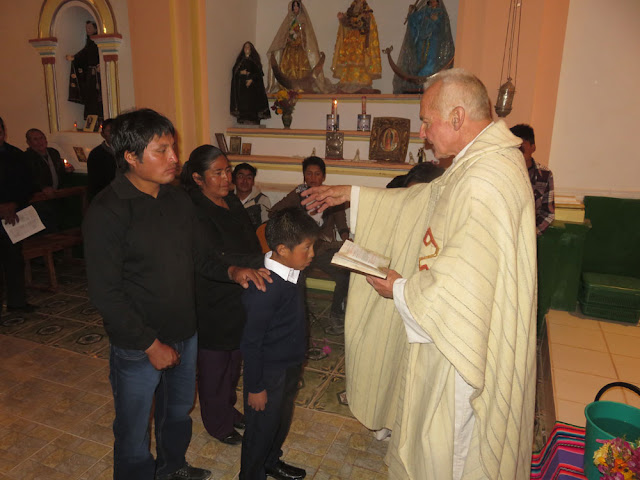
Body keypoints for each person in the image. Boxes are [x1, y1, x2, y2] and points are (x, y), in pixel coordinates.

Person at [301, 69, 537, 479]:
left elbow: (462, 287)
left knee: (450, 448)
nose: (423, 133)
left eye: (428, 121)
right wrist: (351, 194)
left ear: (458, 117)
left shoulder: (485, 178)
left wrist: (401, 289)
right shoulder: (477, 165)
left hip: (461, 349)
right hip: (446, 337)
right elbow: (422, 200)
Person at [83, 108, 271, 480]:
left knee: (177, 410)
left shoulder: (177, 201)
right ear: (131, 158)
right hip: (139, 342)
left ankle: (173, 467)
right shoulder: (108, 211)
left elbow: (200, 258)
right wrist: (150, 344)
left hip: (185, 332)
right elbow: (106, 293)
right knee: (134, 427)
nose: (175, 159)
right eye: (162, 150)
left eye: (173, 148)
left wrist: (233, 271)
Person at [180, 146, 264, 446]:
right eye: (218, 173)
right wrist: (235, 268)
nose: (227, 177)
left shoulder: (230, 200)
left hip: (240, 292)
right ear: (198, 178)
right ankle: (217, 422)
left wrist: (262, 262)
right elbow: (206, 257)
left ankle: (227, 409)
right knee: (215, 365)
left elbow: (249, 240)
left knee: (234, 359)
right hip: (212, 294)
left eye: (227, 170)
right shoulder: (193, 209)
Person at [240, 207, 319, 480]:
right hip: (268, 372)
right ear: (283, 249)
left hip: (289, 365)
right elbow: (250, 343)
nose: (312, 255)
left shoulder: (292, 272)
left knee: (280, 421)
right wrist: (255, 386)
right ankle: (251, 474)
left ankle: (271, 462)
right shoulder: (263, 288)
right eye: (307, 248)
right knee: (261, 428)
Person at [269, 156, 350, 335]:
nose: (313, 178)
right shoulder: (297, 195)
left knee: (345, 275)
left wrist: (346, 239)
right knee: (296, 279)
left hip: (324, 249)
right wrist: (295, 225)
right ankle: (294, 317)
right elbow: (274, 211)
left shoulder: (331, 196)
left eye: (317, 174)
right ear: (304, 176)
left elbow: (341, 224)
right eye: (309, 174)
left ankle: (336, 316)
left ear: (323, 176)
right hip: (300, 249)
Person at [0, 117, 35, 316]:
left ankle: (17, 302)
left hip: (12, 216)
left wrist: (13, 204)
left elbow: (27, 185)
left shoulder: (15, 155)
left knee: (14, 260)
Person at [266, 0, 330, 93]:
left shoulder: (304, 20)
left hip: (300, 48)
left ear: (300, 8)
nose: (295, 8)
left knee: (301, 66)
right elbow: (283, 35)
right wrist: (288, 37)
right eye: (294, 6)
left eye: (297, 6)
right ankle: (288, 87)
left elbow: (306, 36)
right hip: (289, 48)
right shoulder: (288, 20)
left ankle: (301, 87)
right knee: (288, 66)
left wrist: (299, 34)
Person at [393, 0, 455, 94]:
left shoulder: (440, 13)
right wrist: (412, 14)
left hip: (433, 42)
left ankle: (428, 82)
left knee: (431, 62)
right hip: (422, 43)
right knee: (419, 60)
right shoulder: (424, 12)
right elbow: (415, 21)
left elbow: (441, 27)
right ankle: (420, 82)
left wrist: (433, 19)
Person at [24, 128, 74, 232]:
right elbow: (29, 178)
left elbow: (59, 173)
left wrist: (67, 170)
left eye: (42, 138)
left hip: (57, 198)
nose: (40, 142)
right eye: (35, 139)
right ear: (29, 142)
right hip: (38, 202)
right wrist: (42, 188)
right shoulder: (26, 158)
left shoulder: (53, 153)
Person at [510, 124, 555, 235]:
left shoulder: (544, 175)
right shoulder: (503, 171)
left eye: (522, 147)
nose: (518, 150)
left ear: (533, 147)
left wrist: (531, 234)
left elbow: (548, 213)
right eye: (513, 146)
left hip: (529, 234)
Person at [331, 0, 382, 93]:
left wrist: (365, 19)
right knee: (349, 61)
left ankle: (361, 83)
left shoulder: (367, 10)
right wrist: (342, 19)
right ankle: (348, 82)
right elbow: (347, 24)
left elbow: (367, 25)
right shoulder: (351, 10)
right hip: (350, 42)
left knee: (360, 60)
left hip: (361, 42)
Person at [66, 20, 103, 119]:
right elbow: (85, 54)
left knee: (98, 96)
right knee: (90, 96)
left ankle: (99, 117)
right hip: (90, 75)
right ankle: (91, 118)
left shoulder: (97, 42)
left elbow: (90, 53)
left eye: (90, 28)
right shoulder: (89, 42)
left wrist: (100, 65)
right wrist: (75, 58)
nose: (87, 30)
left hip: (97, 75)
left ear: (95, 28)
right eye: (86, 28)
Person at [230, 42, 271, 125]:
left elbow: (259, 74)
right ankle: (243, 119)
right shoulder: (240, 61)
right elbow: (235, 72)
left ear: (251, 49)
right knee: (243, 104)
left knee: (252, 105)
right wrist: (241, 72)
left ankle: (254, 119)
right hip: (242, 89)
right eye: (245, 47)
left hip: (253, 90)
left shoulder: (254, 62)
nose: (247, 49)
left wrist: (251, 79)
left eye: (248, 47)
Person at [233, 162, 271, 229]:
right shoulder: (228, 199)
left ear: (253, 181)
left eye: (249, 178)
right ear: (235, 179)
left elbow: (265, 228)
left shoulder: (262, 200)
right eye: (241, 176)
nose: (244, 181)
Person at [87, 118, 116, 201]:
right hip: (105, 197)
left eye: (115, 130)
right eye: (109, 131)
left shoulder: (126, 151)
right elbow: (94, 182)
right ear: (102, 134)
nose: (112, 134)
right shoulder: (96, 154)